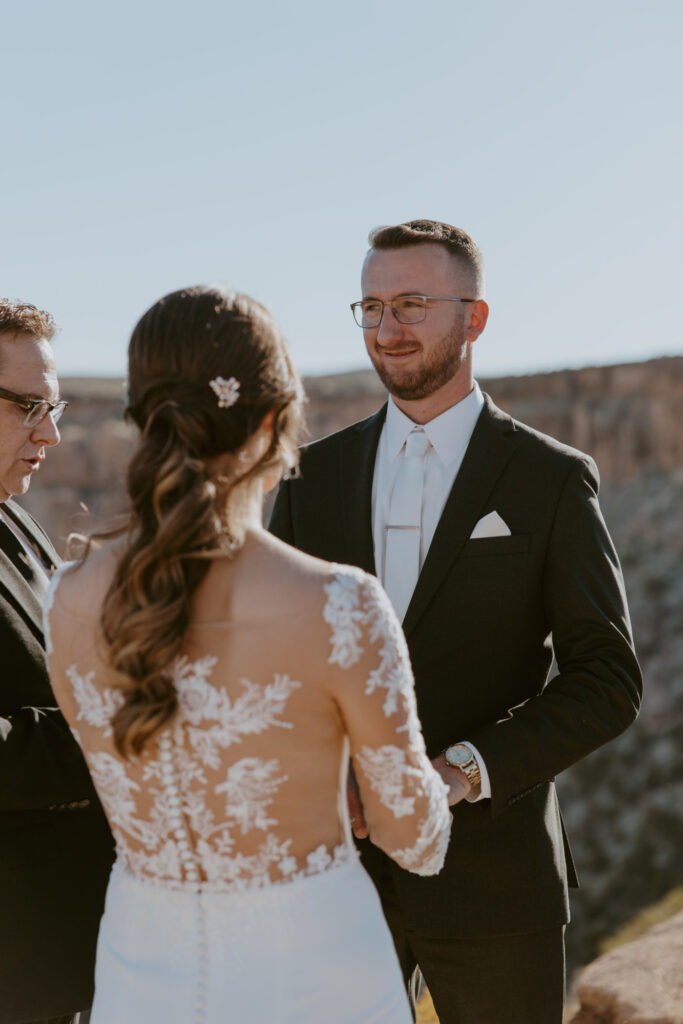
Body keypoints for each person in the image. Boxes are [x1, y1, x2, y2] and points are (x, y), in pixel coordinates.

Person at [43, 285, 452, 1024]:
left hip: (142, 973)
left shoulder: (67, 599)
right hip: (315, 974)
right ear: (273, 420)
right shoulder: (339, 605)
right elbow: (413, 838)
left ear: (143, 419)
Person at [269, 220, 643, 1024]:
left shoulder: (548, 478)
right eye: (369, 307)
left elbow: (606, 681)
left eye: (411, 304)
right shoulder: (309, 477)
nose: (387, 328)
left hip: (496, 887)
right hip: (338, 882)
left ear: (472, 319)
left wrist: (461, 772)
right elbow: (275, 663)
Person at [0, 299, 114, 1024]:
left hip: (65, 962)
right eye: (28, 407)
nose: (52, 431)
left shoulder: (12, 510)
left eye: (57, 405)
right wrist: (119, 733)